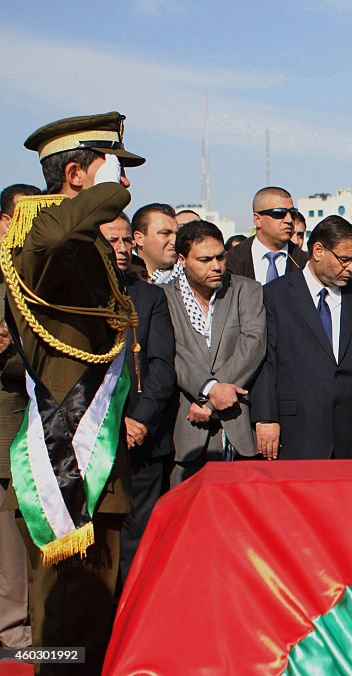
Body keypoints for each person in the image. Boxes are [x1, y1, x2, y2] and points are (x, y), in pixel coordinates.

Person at [2, 111, 143, 669]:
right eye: (115, 171)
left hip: (96, 459)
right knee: (64, 626)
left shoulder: (87, 246)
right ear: (79, 175)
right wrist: (104, 192)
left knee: (90, 619)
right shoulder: (39, 235)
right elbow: (52, 233)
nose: (125, 186)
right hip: (66, 463)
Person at [252, 216, 352, 460]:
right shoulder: (275, 296)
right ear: (318, 251)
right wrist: (265, 417)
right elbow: (266, 361)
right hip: (297, 429)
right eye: (345, 259)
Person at [97, 214, 177, 584]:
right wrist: (113, 422)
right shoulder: (77, 295)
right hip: (93, 437)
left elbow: (161, 367)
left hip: (142, 438)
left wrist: (140, 419)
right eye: (113, 240)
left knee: (138, 540)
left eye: (127, 240)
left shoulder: (148, 296)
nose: (122, 248)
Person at [162, 221, 266, 485]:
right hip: (186, 428)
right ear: (182, 259)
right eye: (205, 259)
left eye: (220, 256)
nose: (217, 266)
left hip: (237, 424)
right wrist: (209, 388)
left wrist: (210, 400)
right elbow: (174, 352)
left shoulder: (247, 290)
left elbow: (252, 345)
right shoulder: (163, 297)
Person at [0, 183, 40, 650]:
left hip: (38, 423)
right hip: (9, 420)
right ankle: (14, 632)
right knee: (10, 537)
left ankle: (29, 626)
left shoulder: (31, 270)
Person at [225, 187, 308, 283]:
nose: (289, 220)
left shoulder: (305, 263)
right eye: (279, 213)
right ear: (257, 220)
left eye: (293, 214)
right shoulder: (232, 260)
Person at [131, 202, 178, 283]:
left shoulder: (188, 281)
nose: (174, 241)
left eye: (177, 234)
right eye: (165, 233)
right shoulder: (120, 277)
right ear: (139, 238)